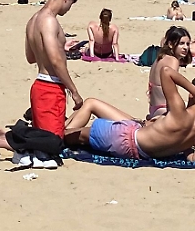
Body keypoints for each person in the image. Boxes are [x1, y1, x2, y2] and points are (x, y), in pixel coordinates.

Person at [0, 0, 81, 166]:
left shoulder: (33, 20)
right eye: (70, 4)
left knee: (44, 138)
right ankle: (0, 140)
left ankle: (7, 137)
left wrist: (62, 47)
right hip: (50, 87)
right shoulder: (50, 21)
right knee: (53, 143)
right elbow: (55, 60)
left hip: (39, 84)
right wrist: (74, 91)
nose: (68, 9)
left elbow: (31, 57)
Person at [64, 66, 195, 161]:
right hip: (137, 140)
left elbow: (166, 71)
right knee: (88, 107)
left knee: (66, 136)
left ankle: (57, 132)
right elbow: (191, 158)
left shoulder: (179, 112)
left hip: (124, 137)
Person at [147, 26, 193, 120]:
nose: (185, 47)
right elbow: (171, 92)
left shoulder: (160, 58)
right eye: (181, 43)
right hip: (164, 110)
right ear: (171, 44)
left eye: (187, 44)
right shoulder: (173, 61)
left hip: (154, 109)